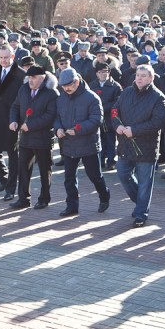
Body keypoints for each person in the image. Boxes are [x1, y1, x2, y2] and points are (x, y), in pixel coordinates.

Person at [112, 64, 165, 228]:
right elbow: (115, 110)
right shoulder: (127, 92)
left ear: (151, 78)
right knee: (122, 174)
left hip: (146, 146)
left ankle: (141, 213)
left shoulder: (158, 97)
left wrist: (134, 130)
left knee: (145, 182)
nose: (139, 78)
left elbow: (157, 122)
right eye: (138, 75)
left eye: (143, 75)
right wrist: (117, 126)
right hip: (125, 143)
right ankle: (140, 203)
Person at [55, 67, 110, 217]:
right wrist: (58, 129)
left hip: (88, 144)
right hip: (68, 143)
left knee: (94, 176)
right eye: (63, 86)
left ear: (77, 81)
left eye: (69, 85)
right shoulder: (61, 97)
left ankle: (104, 195)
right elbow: (57, 117)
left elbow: (96, 119)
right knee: (69, 178)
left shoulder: (91, 97)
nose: (66, 89)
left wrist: (78, 130)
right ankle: (72, 206)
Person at [9, 65, 59, 209]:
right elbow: (15, 106)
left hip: (43, 138)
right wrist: (13, 120)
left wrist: (31, 125)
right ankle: (23, 198)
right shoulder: (24, 89)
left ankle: (44, 198)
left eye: (34, 77)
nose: (31, 80)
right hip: (25, 138)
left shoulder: (51, 93)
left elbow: (50, 116)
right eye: (29, 77)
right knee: (23, 169)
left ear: (42, 78)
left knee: (44, 170)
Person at [0, 46, 24, 200]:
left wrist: (18, 120)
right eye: (1, 57)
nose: (3, 60)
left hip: (11, 120)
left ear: (13, 56)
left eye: (6, 57)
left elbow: (23, 101)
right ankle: (4, 180)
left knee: (12, 154)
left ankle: (11, 189)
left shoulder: (21, 74)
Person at [89, 61, 122, 171]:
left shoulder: (115, 86)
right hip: (96, 118)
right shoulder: (92, 85)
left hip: (109, 118)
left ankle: (111, 161)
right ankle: (100, 160)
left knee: (110, 140)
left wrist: (103, 108)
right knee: (99, 140)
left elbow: (117, 102)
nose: (103, 74)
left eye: (105, 72)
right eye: (100, 72)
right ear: (97, 73)